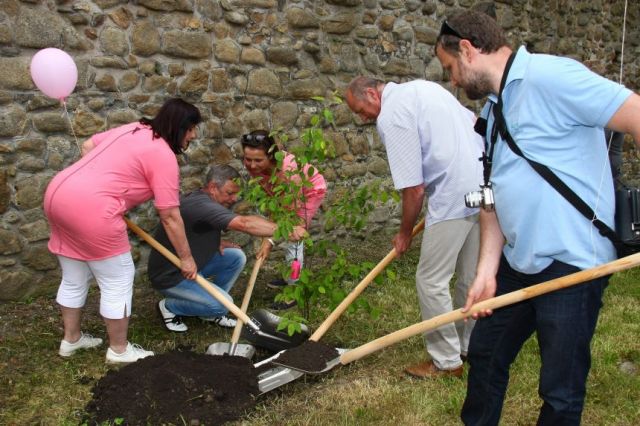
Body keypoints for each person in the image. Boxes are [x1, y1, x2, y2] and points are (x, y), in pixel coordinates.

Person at [435, 10, 640, 425]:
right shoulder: (494, 112)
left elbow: (636, 113)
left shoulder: (552, 77)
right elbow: (493, 196)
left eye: (450, 68)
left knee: (560, 390)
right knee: (485, 355)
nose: (452, 80)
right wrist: (486, 271)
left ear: (469, 51)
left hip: (574, 263)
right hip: (519, 261)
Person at [44, 98, 202, 363]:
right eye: (191, 128)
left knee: (74, 276)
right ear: (179, 127)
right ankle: (119, 349)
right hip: (92, 210)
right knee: (118, 279)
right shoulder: (163, 156)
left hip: (57, 195)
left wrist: (99, 185)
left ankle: (71, 340)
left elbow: (88, 146)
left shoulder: (135, 128)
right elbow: (170, 216)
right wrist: (186, 257)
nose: (194, 135)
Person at [345, 76, 483, 378]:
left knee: (431, 281)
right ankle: (471, 346)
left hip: (452, 194)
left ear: (371, 93)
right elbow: (474, 121)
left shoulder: (392, 115)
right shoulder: (424, 88)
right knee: (471, 276)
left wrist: (404, 232)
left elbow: (414, 189)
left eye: (360, 109)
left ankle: (447, 361)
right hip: (483, 187)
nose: (362, 118)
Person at [148, 164, 306, 332]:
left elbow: (195, 229)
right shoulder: (202, 205)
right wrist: (287, 229)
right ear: (213, 187)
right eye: (230, 193)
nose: (234, 199)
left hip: (194, 266)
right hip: (171, 275)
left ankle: (208, 310)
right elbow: (244, 223)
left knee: (236, 256)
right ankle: (170, 306)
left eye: (236, 193)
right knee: (224, 305)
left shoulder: (207, 200)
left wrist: (215, 243)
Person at [240, 130, 327, 310]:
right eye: (248, 159)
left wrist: (269, 241)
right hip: (284, 194)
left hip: (309, 191)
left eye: (258, 160)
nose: (251, 165)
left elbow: (289, 215)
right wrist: (268, 235)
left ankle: (293, 288)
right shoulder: (256, 166)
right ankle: (290, 276)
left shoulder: (289, 173)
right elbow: (273, 201)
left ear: (271, 157)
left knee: (293, 237)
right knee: (284, 233)